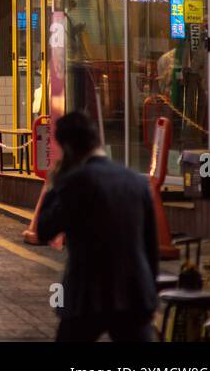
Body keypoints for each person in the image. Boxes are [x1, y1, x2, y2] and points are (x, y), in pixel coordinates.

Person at [35, 112, 158, 342]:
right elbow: (150, 245)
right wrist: (150, 292)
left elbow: (44, 229)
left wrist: (55, 183)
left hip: (88, 293)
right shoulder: (136, 181)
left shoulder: (77, 181)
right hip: (135, 291)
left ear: (69, 148)